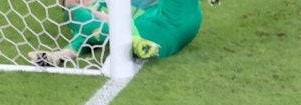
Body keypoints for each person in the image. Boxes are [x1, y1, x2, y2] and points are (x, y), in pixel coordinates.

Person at [28, 0, 203, 66]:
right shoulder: (85, 19)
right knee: (77, 16)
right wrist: (55, 56)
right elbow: (75, 47)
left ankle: (130, 39)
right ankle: (131, 40)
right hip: (157, 38)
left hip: (171, 15)